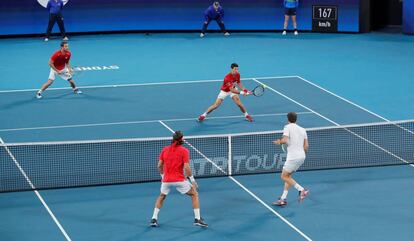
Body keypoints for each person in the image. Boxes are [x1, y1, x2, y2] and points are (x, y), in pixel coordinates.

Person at [150, 131, 208, 228]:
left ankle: (154, 219)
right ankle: (197, 219)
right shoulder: (184, 151)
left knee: (161, 196)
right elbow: (187, 167)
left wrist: (163, 176)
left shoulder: (164, 150)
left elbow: (159, 165)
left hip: (166, 181)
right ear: (181, 140)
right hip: (179, 181)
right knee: (194, 194)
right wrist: (192, 181)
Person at [272, 112, 309, 206]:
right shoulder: (303, 129)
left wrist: (279, 142)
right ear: (296, 119)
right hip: (302, 156)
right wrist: (301, 155)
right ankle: (283, 199)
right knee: (288, 177)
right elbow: (306, 146)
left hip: (293, 157)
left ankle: (302, 190)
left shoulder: (287, 127)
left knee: (284, 176)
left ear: (288, 119)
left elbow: (284, 140)